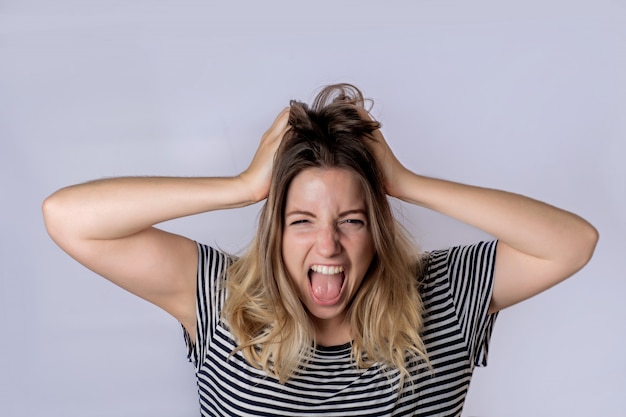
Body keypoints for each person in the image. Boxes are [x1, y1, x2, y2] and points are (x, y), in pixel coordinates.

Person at [42, 84, 598, 416]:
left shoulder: (443, 297)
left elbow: (573, 243)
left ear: (377, 225)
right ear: (275, 230)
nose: (327, 243)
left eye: (352, 220)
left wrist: (403, 181)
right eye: (302, 220)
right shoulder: (221, 298)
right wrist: (241, 186)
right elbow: (67, 218)